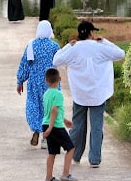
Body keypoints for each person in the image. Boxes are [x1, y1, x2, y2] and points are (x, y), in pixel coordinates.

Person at [53, 20, 125, 167]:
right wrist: (105, 41)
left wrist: (68, 45)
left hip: (80, 94)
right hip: (98, 95)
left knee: (78, 126)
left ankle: (75, 155)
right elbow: (120, 54)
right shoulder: (100, 47)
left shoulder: (74, 49)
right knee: (97, 127)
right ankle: (95, 159)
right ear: (91, 33)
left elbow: (56, 60)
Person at [16, 20, 60, 148]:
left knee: (34, 105)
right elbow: (61, 60)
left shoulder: (31, 45)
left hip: (34, 81)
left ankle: (36, 130)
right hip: (50, 81)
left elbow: (25, 64)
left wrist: (20, 81)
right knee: (49, 108)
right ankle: (46, 139)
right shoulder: (54, 46)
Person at [41, 68, 78, 181]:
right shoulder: (58, 94)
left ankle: (48, 177)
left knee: (52, 153)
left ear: (46, 81)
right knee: (70, 148)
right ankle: (66, 173)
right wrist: (51, 128)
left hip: (46, 123)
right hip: (55, 126)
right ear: (60, 79)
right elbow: (54, 110)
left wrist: (65, 120)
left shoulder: (46, 94)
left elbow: (53, 112)